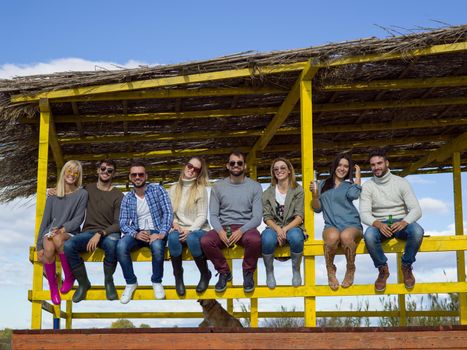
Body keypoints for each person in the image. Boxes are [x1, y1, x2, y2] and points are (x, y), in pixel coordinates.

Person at [360, 148, 424, 292]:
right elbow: (364, 214)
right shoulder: (368, 186)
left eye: (379, 163)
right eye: (373, 165)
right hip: (379, 223)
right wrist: (378, 224)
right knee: (369, 235)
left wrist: (404, 222)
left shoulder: (401, 183)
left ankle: (406, 266)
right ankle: (383, 269)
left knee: (418, 231)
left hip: (402, 221)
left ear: (387, 163)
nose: (376, 167)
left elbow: (416, 210)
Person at [201, 151, 262, 293]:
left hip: (245, 227)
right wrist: (220, 231)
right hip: (224, 226)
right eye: (232, 163)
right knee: (205, 241)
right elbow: (214, 215)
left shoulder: (255, 187)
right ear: (227, 166)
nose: (236, 165)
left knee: (255, 240)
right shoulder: (218, 187)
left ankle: (248, 272)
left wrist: (241, 230)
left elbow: (257, 218)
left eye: (239, 163)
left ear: (245, 166)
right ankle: (224, 272)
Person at [63, 159, 124, 302]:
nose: (105, 172)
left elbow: (118, 223)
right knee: (69, 246)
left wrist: (100, 233)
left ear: (113, 173)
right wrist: (54, 191)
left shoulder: (118, 195)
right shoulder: (87, 189)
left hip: (108, 233)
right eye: (103, 169)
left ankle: (108, 281)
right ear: (98, 170)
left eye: (109, 170)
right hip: (88, 232)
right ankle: (83, 283)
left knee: (112, 244)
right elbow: (69, 192)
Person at [117, 161, 173, 304]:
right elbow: (123, 223)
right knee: (121, 246)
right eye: (134, 174)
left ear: (146, 176)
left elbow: (168, 212)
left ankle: (156, 281)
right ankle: (130, 282)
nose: (137, 177)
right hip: (137, 232)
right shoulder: (127, 198)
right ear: (130, 177)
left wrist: (161, 233)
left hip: (156, 230)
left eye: (140, 174)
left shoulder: (158, 190)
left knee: (158, 247)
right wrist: (135, 234)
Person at [37, 160, 88, 305]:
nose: (72, 175)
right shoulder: (52, 196)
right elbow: (45, 221)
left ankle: (69, 276)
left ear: (78, 176)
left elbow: (79, 218)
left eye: (75, 172)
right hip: (51, 231)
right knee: (48, 247)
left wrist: (63, 228)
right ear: (64, 172)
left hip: (70, 232)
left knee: (58, 239)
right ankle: (53, 287)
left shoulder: (82, 194)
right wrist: (38, 245)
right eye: (69, 171)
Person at [310, 153, 362, 290]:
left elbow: (353, 195)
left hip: (351, 224)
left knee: (346, 236)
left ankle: (350, 268)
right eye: (340, 165)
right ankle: (330, 270)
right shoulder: (322, 184)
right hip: (331, 225)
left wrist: (357, 178)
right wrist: (315, 196)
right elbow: (317, 209)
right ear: (334, 166)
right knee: (332, 238)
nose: (342, 168)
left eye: (346, 166)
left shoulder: (349, 185)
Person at [167, 157, 211, 296]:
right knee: (173, 238)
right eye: (190, 165)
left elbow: (202, 216)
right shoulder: (173, 188)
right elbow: (170, 212)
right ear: (185, 166)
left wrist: (190, 230)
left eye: (196, 169)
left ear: (199, 173)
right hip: (179, 227)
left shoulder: (200, 189)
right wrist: (174, 223)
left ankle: (205, 273)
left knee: (192, 239)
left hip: (199, 228)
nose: (191, 170)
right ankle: (178, 278)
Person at [261, 158, 305, 288]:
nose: (279, 171)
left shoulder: (298, 190)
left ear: (289, 171)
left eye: (282, 168)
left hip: (293, 225)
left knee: (296, 237)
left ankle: (296, 270)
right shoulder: (267, 193)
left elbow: (299, 217)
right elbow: (267, 217)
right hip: (274, 227)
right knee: (267, 238)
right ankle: (269, 272)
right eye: (276, 169)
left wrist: (284, 230)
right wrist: (278, 230)